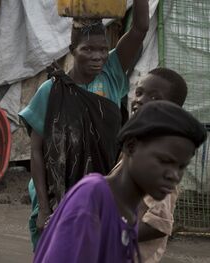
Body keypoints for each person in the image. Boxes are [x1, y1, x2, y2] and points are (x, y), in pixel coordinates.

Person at [20, 0, 150, 250]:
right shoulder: (51, 90)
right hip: (56, 192)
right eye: (88, 49)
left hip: (101, 192)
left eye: (103, 49)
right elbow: (37, 151)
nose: (98, 56)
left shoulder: (112, 74)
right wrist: (44, 208)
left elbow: (140, 28)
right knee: (54, 251)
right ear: (72, 49)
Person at [34, 101, 207, 263]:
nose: (174, 175)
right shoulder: (93, 197)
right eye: (164, 161)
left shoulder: (128, 215)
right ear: (131, 146)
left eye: (181, 166)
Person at [111, 67, 188, 263]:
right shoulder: (138, 143)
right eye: (139, 92)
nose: (140, 100)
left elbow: (158, 225)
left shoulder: (161, 156)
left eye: (154, 98)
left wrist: (112, 235)